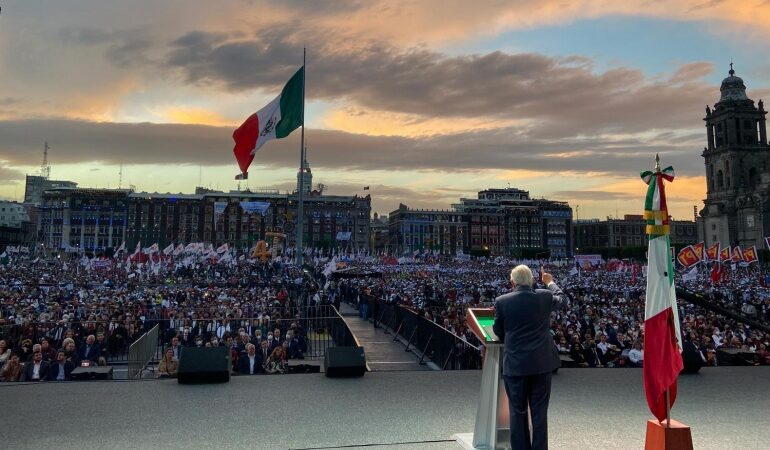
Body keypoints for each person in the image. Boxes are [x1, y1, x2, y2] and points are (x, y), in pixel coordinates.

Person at [493, 265, 567, 450]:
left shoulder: (502, 301)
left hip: (516, 364)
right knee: (540, 412)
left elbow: (498, 331)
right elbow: (564, 299)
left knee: (517, 412)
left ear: (512, 282)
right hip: (541, 364)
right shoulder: (544, 296)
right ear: (533, 280)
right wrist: (549, 282)